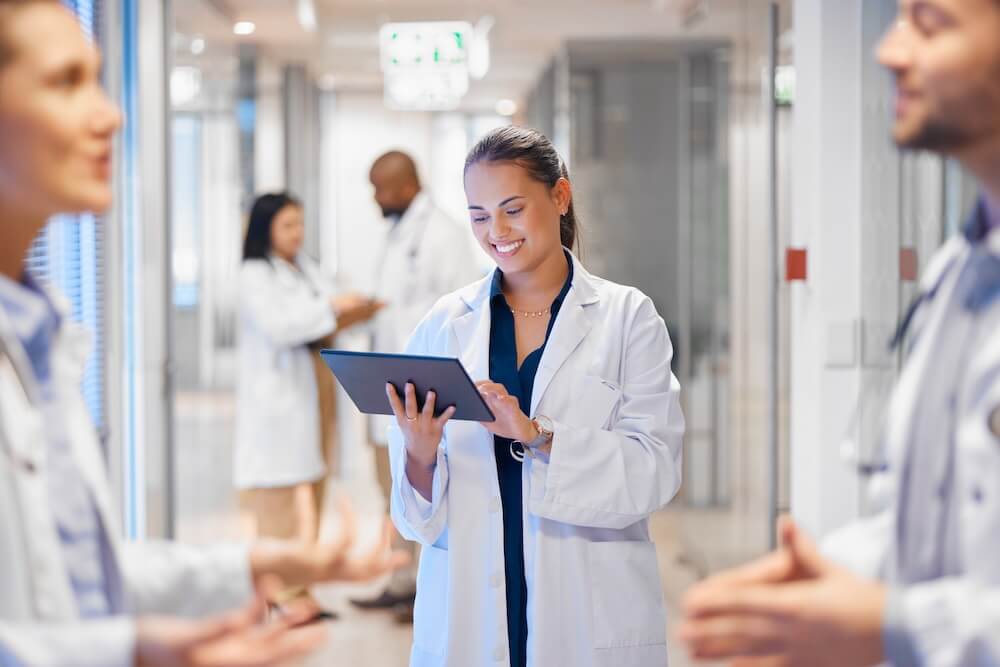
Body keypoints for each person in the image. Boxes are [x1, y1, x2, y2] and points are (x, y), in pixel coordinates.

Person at [0, 2, 406, 664]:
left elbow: (75, 573)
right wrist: (131, 652)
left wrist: (249, 566)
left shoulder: (39, 340)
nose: (111, 114)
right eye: (65, 82)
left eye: (99, 81)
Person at [679, 1, 1000, 665]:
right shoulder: (961, 267)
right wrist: (827, 582)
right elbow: (944, 522)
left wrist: (896, 625)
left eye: (929, 23)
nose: (889, 49)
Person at [384, 126, 686, 667]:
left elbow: (654, 470)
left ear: (559, 197)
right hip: (470, 610)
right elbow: (415, 519)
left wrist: (539, 436)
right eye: (479, 215)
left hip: (586, 608)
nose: (496, 231)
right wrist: (421, 453)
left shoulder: (628, 318)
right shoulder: (445, 324)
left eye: (512, 209)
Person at [351, 150, 488, 620]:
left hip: (426, 390)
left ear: (406, 185)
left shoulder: (443, 234)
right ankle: (399, 578)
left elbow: (459, 314)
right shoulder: (397, 231)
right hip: (391, 384)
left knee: (426, 490)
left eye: (380, 188)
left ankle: (421, 588)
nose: (375, 198)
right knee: (390, 487)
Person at [236, 192, 380, 543]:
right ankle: (282, 592)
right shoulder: (254, 274)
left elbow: (328, 311)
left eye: (299, 223)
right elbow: (281, 326)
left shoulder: (305, 267)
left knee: (316, 483)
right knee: (280, 494)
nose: (296, 232)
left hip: (318, 385)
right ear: (264, 229)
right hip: (281, 394)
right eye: (287, 225)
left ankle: (302, 588)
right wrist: (333, 307)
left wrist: (352, 308)